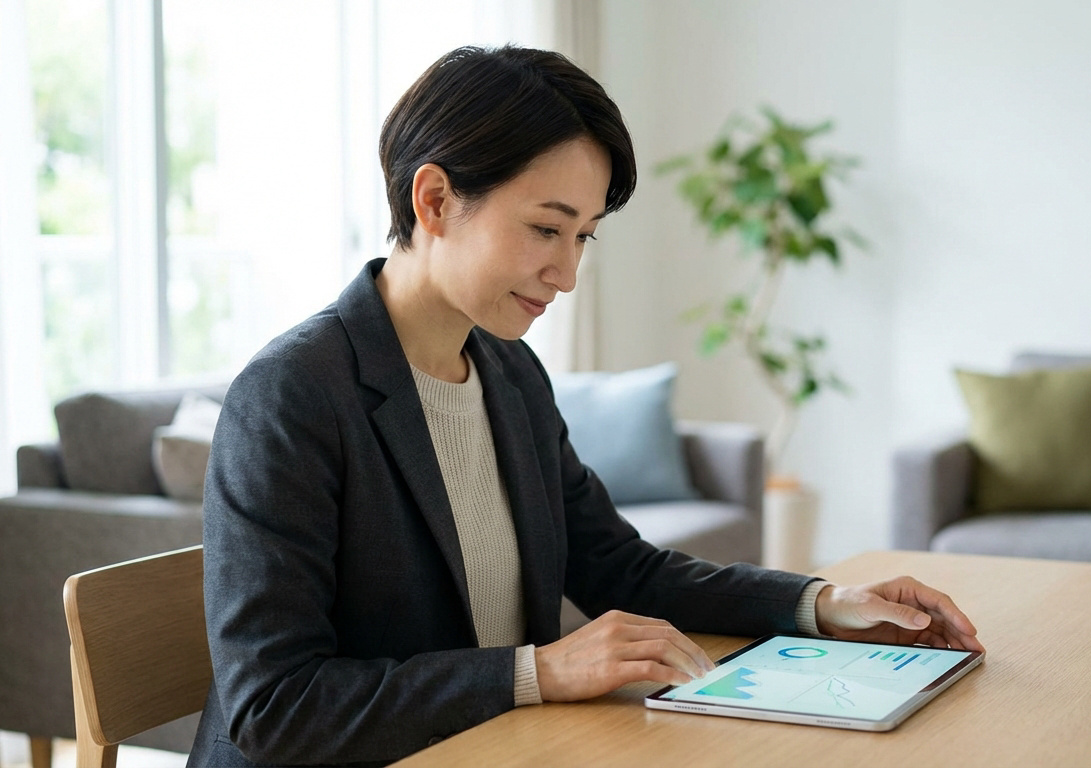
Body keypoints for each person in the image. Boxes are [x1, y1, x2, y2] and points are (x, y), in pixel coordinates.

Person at [186, 45, 983, 768]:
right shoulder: (293, 396)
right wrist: (541, 670)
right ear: (433, 200)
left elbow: (618, 567)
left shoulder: (508, 373)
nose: (565, 275)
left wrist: (823, 604)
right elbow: (273, 706)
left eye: (584, 238)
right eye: (545, 229)